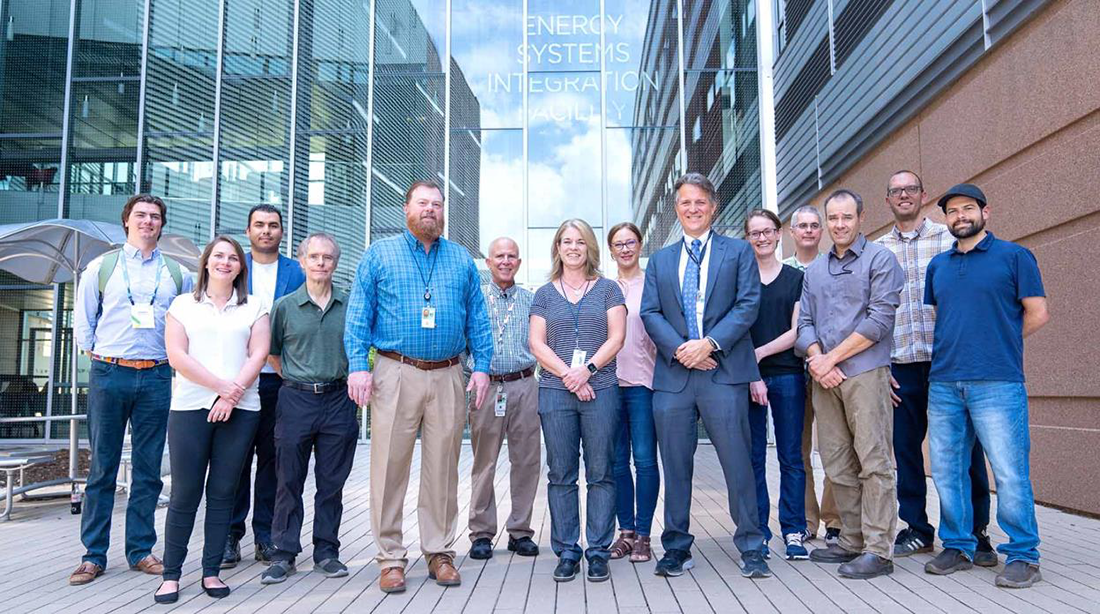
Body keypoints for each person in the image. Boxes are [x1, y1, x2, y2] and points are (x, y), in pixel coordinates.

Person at [344, 180, 492, 594]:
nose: (431, 209)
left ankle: (439, 551)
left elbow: (477, 319)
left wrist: (481, 367)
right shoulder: (378, 254)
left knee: (443, 467)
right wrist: (359, 367)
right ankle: (390, 557)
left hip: (448, 373)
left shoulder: (461, 259)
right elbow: (358, 317)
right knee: (389, 466)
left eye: (437, 204)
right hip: (396, 372)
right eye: (423, 203)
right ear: (406, 207)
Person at [639, 173, 770, 579]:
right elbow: (649, 312)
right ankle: (676, 546)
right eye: (684, 203)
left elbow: (748, 305)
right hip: (675, 377)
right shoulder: (660, 260)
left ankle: (752, 545)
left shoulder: (737, 252)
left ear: (713, 207)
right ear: (676, 210)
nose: (692, 209)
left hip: (724, 373)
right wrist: (683, 349)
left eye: (699, 202)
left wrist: (708, 344)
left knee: (737, 463)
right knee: (675, 466)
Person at [924, 184, 1049, 588]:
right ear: (946, 219)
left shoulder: (1014, 256)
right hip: (944, 382)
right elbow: (943, 316)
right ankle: (959, 546)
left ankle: (1024, 555)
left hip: (997, 381)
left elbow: (1038, 313)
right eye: (952, 211)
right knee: (947, 470)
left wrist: (1000, 345)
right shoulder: (938, 266)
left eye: (967, 208)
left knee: (1010, 472)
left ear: (985, 212)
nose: (960, 216)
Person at [70, 194, 193, 586]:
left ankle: (140, 550)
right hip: (110, 372)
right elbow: (84, 323)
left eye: (155, 217)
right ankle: (93, 554)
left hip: (157, 376)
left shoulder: (177, 273)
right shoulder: (101, 267)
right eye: (140, 215)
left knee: (148, 469)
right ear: (127, 221)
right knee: (103, 467)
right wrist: (105, 356)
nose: (148, 222)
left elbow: (184, 324)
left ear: (162, 224)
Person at [875, 171, 994, 563]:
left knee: (964, 452)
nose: (904, 195)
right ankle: (917, 530)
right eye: (896, 191)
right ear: (888, 199)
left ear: (923, 196)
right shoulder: (877, 251)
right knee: (906, 453)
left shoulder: (951, 239)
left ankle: (975, 532)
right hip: (900, 367)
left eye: (911, 189)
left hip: (949, 365)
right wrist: (880, 366)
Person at [795, 189, 903, 579]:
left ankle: (879, 549)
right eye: (833, 219)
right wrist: (816, 359)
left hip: (864, 373)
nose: (839, 225)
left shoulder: (881, 260)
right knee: (837, 462)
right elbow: (803, 324)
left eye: (847, 218)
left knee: (874, 461)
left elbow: (879, 321)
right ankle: (852, 540)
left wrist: (830, 359)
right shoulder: (815, 271)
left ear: (860, 218)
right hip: (825, 377)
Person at [156, 236, 270, 603]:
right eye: (218, 256)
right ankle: (171, 575)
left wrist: (232, 394)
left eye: (232, 258)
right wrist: (222, 388)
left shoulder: (254, 306)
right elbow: (177, 355)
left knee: (223, 492)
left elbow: (259, 354)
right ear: (206, 262)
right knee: (185, 492)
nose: (225, 262)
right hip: (190, 407)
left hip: (241, 410)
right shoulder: (182, 305)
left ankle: (210, 572)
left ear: (240, 266)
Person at [529, 218, 626, 583]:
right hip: (556, 393)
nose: (573, 247)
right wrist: (570, 377)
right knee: (561, 474)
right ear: (557, 247)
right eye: (566, 241)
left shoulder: (608, 290)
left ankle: (598, 550)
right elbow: (537, 344)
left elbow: (617, 338)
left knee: (601, 471)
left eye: (580, 242)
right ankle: (568, 550)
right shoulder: (543, 294)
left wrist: (586, 370)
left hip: (600, 389)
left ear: (589, 249)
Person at [260, 233, 359, 585]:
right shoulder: (285, 306)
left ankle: (326, 551)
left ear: (335, 263)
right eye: (313, 257)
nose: (320, 263)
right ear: (301, 262)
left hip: (339, 400)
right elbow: (271, 352)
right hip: (295, 399)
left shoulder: (350, 306)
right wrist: (297, 378)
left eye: (327, 257)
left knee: (331, 483)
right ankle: (283, 553)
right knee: (288, 480)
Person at [225, 204, 305, 568]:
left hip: (280, 381)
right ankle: (230, 535)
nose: (266, 231)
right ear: (248, 231)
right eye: (259, 225)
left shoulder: (296, 271)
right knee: (235, 460)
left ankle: (266, 537)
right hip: (238, 379)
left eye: (273, 225)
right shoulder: (232, 267)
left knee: (273, 462)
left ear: (282, 232)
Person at [467, 237, 541, 561]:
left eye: (512, 256)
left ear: (519, 263)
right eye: (500, 256)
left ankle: (520, 531)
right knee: (485, 462)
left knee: (526, 461)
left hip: (525, 384)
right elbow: (461, 345)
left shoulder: (532, 301)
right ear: (488, 262)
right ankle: (482, 532)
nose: (506, 261)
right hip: (487, 387)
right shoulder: (475, 300)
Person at [745, 209, 809, 561]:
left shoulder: (795, 279)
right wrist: (753, 372)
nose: (762, 238)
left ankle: (794, 530)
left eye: (767, 231)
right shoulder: (740, 281)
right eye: (754, 233)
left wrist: (759, 354)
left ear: (779, 233)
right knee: (753, 458)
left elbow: (797, 331)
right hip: (748, 380)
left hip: (787, 374)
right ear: (748, 239)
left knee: (791, 457)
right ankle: (760, 531)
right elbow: (736, 330)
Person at [783, 205, 841, 546]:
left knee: (834, 448)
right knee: (798, 450)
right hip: (794, 371)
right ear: (792, 233)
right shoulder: (784, 272)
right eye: (801, 226)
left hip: (830, 368)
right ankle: (807, 520)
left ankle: (835, 520)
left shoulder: (833, 266)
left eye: (814, 225)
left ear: (821, 231)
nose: (808, 230)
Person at [606, 222, 659, 563]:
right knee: (616, 463)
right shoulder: (603, 288)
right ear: (610, 250)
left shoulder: (653, 284)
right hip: (608, 384)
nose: (625, 249)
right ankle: (624, 532)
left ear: (640, 245)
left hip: (643, 382)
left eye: (630, 242)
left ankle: (643, 534)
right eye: (618, 244)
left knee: (644, 460)